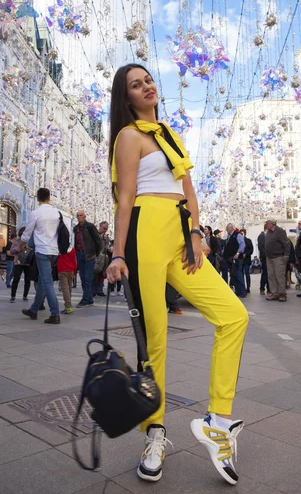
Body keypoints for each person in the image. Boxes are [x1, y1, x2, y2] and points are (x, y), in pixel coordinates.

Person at [106, 64, 248, 485]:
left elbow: (188, 189)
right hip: (145, 231)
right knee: (154, 340)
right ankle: (155, 433)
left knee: (234, 315)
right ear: (126, 97)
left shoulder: (168, 133)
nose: (147, 86)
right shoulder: (129, 136)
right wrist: (117, 253)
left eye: (148, 80)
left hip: (181, 232)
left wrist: (198, 233)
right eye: (136, 84)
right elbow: (126, 196)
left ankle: (218, 423)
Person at [21, 187, 61, 324]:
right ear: (49, 198)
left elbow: (27, 234)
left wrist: (20, 246)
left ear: (37, 198)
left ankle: (55, 313)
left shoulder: (36, 213)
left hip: (42, 251)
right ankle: (34, 309)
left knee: (47, 282)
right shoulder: (57, 213)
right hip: (54, 251)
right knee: (43, 280)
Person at [74, 210, 102, 307]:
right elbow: (75, 242)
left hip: (89, 255)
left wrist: (96, 253)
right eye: (77, 215)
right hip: (80, 254)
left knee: (88, 278)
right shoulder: (76, 228)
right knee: (82, 277)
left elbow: (98, 240)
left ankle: (85, 299)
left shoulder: (90, 226)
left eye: (81, 215)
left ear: (85, 216)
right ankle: (89, 299)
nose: (79, 217)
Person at [264, 219, 290, 302]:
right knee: (271, 276)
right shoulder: (269, 232)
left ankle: (282, 294)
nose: (266, 225)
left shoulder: (279, 231)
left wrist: (286, 255)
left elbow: (286, 243)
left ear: (271, 224)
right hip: (269, 257)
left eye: (267, 224)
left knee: (279, 275)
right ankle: (274, 293)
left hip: (278, 256)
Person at [222, 223, 246, 297]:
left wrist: (238, 253)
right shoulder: (229, 237)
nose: (226, 229)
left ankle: (242, 291)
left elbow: (242, 244)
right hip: (229, 258)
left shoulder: (237, 235)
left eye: (227, 228)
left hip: (236, 258)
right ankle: (238, 291)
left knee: (238, 274)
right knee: (233, 275)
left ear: (231, 228)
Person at [10, 227, 31, 302]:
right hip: (18, 263)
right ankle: (13, 296)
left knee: (27, 280)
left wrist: (30, 248)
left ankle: (25, 296)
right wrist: (17, 249)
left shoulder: (30, 241)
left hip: (28, 263)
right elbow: (11, 251)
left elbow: (34, 250)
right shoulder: (17, 241)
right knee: (16, 279)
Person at [92, 221, 110, 298]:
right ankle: (93, 290)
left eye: (106, 229)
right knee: (94, 274)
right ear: (100, 226)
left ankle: (100, 290)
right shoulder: (95, 234)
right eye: (104, 228)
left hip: (103, 257)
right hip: (96, 257)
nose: (105, 230)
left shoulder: (106, 237)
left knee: (102, 274)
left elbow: (106, 247)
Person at [58, 245, 77, 314]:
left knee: (65, 289)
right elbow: (74, 260)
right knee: (69, 289)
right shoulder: (72, 248)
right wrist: (74, 272)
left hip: (62, 270)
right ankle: (68, 305)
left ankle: (68, 306)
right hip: (71, 270)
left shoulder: (59, 248)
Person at [240, 229, 253, 294]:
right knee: (241, 273)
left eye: (242, 233)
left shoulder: (248, 241)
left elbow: (251, 249)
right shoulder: (238, 241)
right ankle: (242, 287)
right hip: (240, 260)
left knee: (247, 273)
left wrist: (246, 254)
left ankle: (248, 287)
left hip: (246, 260)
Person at [257, 223, 269, 295]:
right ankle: (262, 288)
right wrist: (265, 255)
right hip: (265, 257)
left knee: (268, 273)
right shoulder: (262, 236)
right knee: (265, 273)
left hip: (268, 257)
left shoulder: (267, 236)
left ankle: (269, 288)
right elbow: (260, 247)